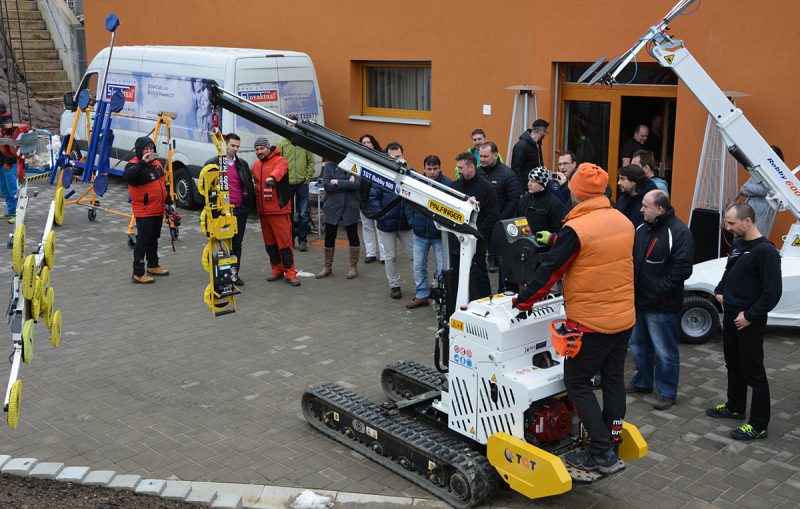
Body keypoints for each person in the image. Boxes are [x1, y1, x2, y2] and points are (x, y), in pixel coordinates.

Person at [514, 163, 635, 473]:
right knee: (612, 380)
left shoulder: (577, 229)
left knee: (577, 381)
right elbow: (597, 253)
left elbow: (550, 270)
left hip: (592, 322)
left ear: (577, 194)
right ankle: (613, 436)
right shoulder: (622, 220)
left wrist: (524, 301)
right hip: (623, 318)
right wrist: (558, 240)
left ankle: (601, 452)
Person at [707, 203, 782, 441]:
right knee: (733, 364)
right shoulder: (739, 245)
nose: (727, 228)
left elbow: (772, 292)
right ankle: (736, 406)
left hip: (748, 320)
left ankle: (759, 425)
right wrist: (720, 289)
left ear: (747, 221)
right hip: (730, 315)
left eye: (731, 223)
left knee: (754, 372)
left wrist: (749, 316)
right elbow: (729, 271)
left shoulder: (766, 251)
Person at [628, 190, 694, 410]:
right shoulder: (641, 228)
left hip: (662, 305)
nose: (641, 209)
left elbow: (683, 269)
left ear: (660, 208)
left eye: (646, 206)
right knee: (638, 345)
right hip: (638, 301)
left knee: (665, 350)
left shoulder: (680, 232)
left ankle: (667, 391)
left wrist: (660, 290)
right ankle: (643, 382)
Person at [204, 133, 254, 285]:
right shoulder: (213, 163)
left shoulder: (242, 164)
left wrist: (247, 204)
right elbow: (205, 187)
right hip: (222, 211)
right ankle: (221, 275)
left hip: (240, 210)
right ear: (224, 145)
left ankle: (234, 274)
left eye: (238, 146)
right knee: (222, 243)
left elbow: (248, 185)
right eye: (232, 145)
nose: (235, 149)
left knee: (237, 243)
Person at [252, 137, 300, 286]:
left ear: (268, 148)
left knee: (284, 243)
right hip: (263, 212)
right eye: (257, 149)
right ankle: (277, 269)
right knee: (270, 244)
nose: (259, 152)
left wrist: (272, 178)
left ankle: (290, 273)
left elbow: (279, 171)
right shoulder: (255, 165)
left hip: (279, 211)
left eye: (262, 148)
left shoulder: (280, 160)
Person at [407, 155, 453, 309]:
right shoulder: (417, 182)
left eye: (435, 169)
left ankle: (440, 295)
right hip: (420, 232)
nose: (432, 172)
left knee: (441, 267)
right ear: (424, 168)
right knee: (418, 266)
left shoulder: (448, 184)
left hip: (440, 235)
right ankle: (422, 295)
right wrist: (412, 221)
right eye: (429, 169)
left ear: (440, 168)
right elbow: (408, 202)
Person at [369, 142, 413, 299]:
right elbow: (373, 198)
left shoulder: (411, 174)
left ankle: (421, 286)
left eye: (399, 156)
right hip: (387, 224)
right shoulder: (380, 175)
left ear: (403, 155)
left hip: (406, 224)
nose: (396, 160)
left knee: (414, 255)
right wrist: (381, 216)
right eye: (392, 157)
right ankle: (394, 286)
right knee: (390, 256)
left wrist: (412, 218)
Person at [124, 136, 171, 284]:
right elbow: (129, 177)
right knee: (143, 241)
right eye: (146, 149)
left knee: (153, 238)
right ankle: (138, 273)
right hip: (144, 211)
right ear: (139, 151)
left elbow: (163, 186)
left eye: (152, 149)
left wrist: (169, 203)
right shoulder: (133, 166)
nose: (150, 152)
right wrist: (143, 162)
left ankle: (153, 265)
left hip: (158, 209)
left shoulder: (157, 164)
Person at [451, 152, 498, 300]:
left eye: (461, 167)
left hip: (476, 241)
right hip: (456, 240)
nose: (458, 170)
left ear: (472, 167)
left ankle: (483, 302)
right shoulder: (455, 186)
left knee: (478, 275)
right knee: (456, 274)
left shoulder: (487, 189)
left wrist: (475, 233)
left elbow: (492, 216)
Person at [479, 141, 520, 278]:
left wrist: (500, 221)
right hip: (481, 225)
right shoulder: (478, 173)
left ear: (495, 155)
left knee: (503, 264)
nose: (482, 160)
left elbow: (513, 200)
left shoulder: (508, 175)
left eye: (486, 156)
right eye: (481, 156)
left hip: (500, 226)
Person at [315, 159, 361, 279]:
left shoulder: (354, 166)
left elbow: (356, 185)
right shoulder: (329, 166)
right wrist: (346, 182)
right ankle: (327, 267)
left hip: (350, 206)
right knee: (329, 236)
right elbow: (327, 186)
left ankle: (353, 267)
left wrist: (336, 181)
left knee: (353, 235)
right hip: (332, 206)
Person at [277, 116, 316, 252]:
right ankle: (290, 240)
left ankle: (303, 240)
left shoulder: (304, 144)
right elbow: (278, 163)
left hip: (302, 183)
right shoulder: (282, 143)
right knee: (289, 214)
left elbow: (311, 162)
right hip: (287, 184)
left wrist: (307, 177)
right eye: (290, 125)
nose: (292, 128)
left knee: (303, 214)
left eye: (295, 125)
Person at [739, 145, 784, 238]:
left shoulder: (778, 173)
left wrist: (750, 189)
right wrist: (753, 189)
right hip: (749, 208)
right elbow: (743, 189)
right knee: (742, 237)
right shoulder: (758, 171)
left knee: (756, 239)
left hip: (763, 210)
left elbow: (768, 190)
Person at [358, 134, 385, 264]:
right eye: (364, 142)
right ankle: (371, 253)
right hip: (362, 197)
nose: (366, 144)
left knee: (379, 227)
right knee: (366, 227)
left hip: (377, 197)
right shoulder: (358, 159)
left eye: (369, 142)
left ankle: (384, 255)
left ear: (373, 144)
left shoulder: (379, 158)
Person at [517, 167, 564, 235]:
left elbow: (557, 230)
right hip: (523, 240)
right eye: (529, 180)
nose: (529, 184)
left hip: (543, 243)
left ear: (542, 184)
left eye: (533, 181)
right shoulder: (524, 199)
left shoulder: (554, 204)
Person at [511, 119, 549, 192]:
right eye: (546, 132)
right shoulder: (521, 146)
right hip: (526, 188)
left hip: (536, 186)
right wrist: (520, 191)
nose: (545, 135)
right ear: (541, 131)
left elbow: (539, 164)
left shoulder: (537, 144)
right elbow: (516, 170)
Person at [0, 106, 20, 223]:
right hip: (1, 160)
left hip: (9, 161)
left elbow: (11, 143)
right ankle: (11, 210)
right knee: (4, 188)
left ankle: (19, 213)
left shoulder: (7, 124)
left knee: (13, 188)